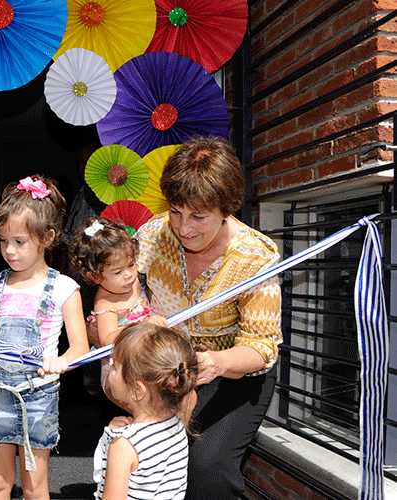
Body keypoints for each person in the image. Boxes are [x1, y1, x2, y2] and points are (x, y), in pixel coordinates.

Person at [136, 136, 282, 500]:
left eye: (198, 216)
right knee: (150, 459)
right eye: (175, 211)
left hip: (235, 372)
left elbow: (262, 347)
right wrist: (138, 318)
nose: (183, 227)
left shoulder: (255, 256)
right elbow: (124, 293)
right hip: (171, 369)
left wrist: (217, 362)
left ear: (226, 209)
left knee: (206, 469)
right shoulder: (153, 235)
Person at [0, 175, 89, 500]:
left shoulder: (64, 289)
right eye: (3, 241)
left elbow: (81, 349)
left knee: (34, 487)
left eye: (19, 242)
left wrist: (61, 361)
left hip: (39, 397)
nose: (9, 251)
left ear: (47, 237)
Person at [93, 322, 198, 500]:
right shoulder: (178, 421)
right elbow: (191, 396)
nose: (109, 369)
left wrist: (119, 436)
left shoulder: (123, 445)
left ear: (137, 391)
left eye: (114, 365)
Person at [71, 217, 164, 386]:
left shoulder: (130, 282)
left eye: (131, 264)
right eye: (117, 272)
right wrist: (142, 327)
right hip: (121, 365)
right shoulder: (106, 303)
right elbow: (107, 339)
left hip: (146, 351)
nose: (128, 274)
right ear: (96, 276)